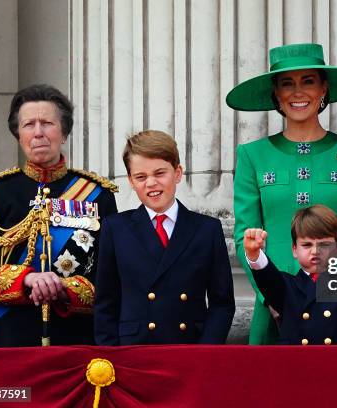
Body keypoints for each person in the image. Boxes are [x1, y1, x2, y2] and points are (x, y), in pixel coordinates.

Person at [227, 43, 337, 344]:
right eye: (287, 84)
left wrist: (334, 291)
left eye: (308, 81)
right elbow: (246, 234)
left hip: (334, 310)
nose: (298, 92)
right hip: (272, 308)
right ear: (276, 94)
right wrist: (270, 295)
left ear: (324, 89)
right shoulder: (252, 155)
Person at [0, 84, 118, 347]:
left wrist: (64, 287)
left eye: (47, 123)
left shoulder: (97, 194)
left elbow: (111, 276)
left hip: (77, 342)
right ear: (18, 134)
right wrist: (27, 279)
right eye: (29, 124)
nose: (38, 133)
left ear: (64, 133)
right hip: (10, 340)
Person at [94, 130, 235, 345]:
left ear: (178, 173)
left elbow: (222, 303)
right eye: (141, 177)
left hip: (190, 348)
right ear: (131, 181)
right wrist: (111, 356)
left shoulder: (207, 229)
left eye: (160, 173)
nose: (151, 183)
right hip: (133, 351)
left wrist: (206, 351)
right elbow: (106, 302)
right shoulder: (115, 228)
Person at [244, 205, 337, 345]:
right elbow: (267, 278)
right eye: (307, 245)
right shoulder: (286, 286)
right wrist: (254, 254)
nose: (315, 251)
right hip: (298, 363)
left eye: (324, 244)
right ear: (294, 249)